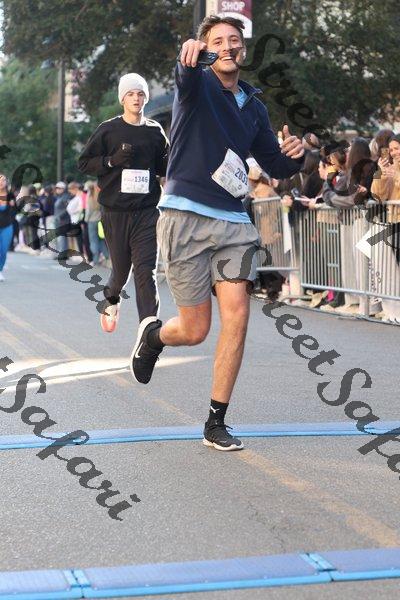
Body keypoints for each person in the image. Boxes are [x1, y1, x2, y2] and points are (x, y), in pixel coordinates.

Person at [130, 15, 306, 451]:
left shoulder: (254, 106)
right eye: (218, 41)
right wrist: (188, 60)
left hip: (233, 222)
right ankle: (154, 336)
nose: (227, 46)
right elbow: (185, 75)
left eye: (234, 40)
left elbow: (276, 164)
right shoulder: (198, 85)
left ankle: (216, 421)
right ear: (207, 49)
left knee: (238, 314)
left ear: (243, 48)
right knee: (195, 330)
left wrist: (297, 155)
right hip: (185, 216)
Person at [78, 73, 169, 333]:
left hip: (147, 211)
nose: (136, 98)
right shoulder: (108, 130)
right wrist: (111, 161)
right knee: (120, 273)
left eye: (140, 94)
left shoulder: (155, 131)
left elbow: (165, 167)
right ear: (122, 99)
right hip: (115, 212)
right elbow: (83, 163)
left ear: (146, 98)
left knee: (145, 272)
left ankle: (148, 333)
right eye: (131, 94)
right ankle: (111, 298)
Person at [84, 180, 109, 266]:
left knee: (93, 241)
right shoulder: (100, 196)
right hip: (100, 220)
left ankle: (95, 259)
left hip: (92, 221)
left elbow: (88, 211)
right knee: (101, 239)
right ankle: (107, 257)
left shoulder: (90, 197)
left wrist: (86, 220)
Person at [0, 174, 14, 281]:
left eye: (3, 180)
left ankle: (0, 269)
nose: (1, 182)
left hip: (7, 226)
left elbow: (16, 209)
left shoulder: (10, 195)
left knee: (4, 250)